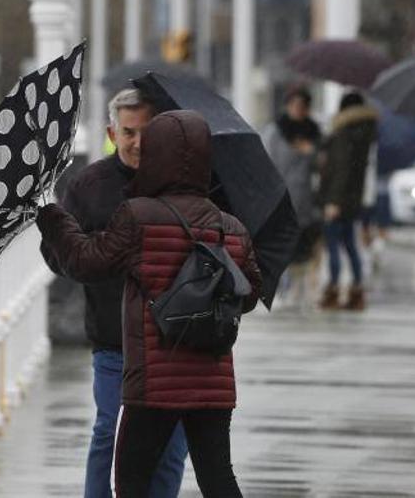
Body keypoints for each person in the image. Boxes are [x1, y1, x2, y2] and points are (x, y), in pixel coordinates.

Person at [37, 110, 262, 497]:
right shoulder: (230, 225)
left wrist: (53, 217)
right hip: (213, 381)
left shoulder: (138, 216)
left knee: (130, 480)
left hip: (155, 383)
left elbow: (86, 262)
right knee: (218, 478)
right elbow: (250, 294)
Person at [39, 89, 188, 498]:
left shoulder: (181, 183)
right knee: (111, 430)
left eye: (146, 132)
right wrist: (101, 253)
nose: (138, 142)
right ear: (111, 132)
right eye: (128, 132)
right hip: (114, 337)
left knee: (173, 441)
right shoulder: (89, 186)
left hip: (173, 337)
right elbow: (56, 256)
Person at [261, 85, 323, 306]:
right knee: (280, 247)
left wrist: (312, 152)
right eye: (295, 105)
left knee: (302, 249)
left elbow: (322, 166)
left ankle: (298, 290)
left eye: (303, 106)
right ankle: (280, 290)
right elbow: (266, 163)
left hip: (306, 203)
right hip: (280, 199)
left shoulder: (314, 132)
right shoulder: (275, 131)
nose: (298, 110)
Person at [317, 91, 379, 310]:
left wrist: (332, 201)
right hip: (354, 199)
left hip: (337, 199)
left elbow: (341, 169)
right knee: (350, 245)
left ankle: (332, 290)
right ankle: (356, 290)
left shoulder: (343, 134)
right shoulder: (365, 134)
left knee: (333, 245)